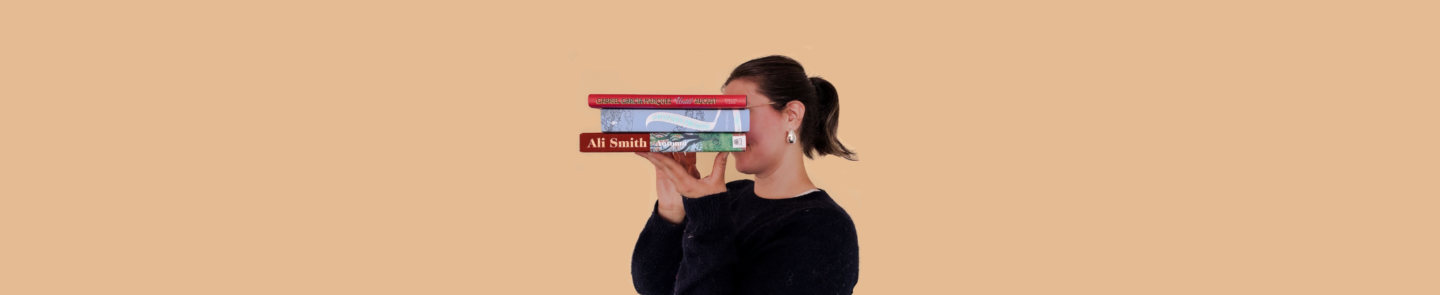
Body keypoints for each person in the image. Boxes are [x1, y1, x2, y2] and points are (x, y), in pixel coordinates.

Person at [631, 55, 860, 294]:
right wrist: (671, 212)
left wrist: (708, 217)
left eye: (740, 113)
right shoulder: (729, 196)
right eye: (724, 117)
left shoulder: (824, 227)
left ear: (792, 115)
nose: (729, 129)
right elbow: (655, 287)